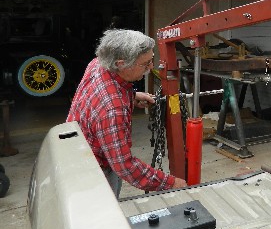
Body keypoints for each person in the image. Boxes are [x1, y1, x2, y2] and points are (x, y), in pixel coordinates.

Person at [67, 29, 187, 197]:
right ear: (121, 64)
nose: (151, 67)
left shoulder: (98, 63)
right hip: (93, 171)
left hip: (74, 148)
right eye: (145, 64)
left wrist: (131, 95)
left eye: (151, 60)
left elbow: (102, 93)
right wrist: (170, 182)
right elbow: (124, 165)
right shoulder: (112, 110)